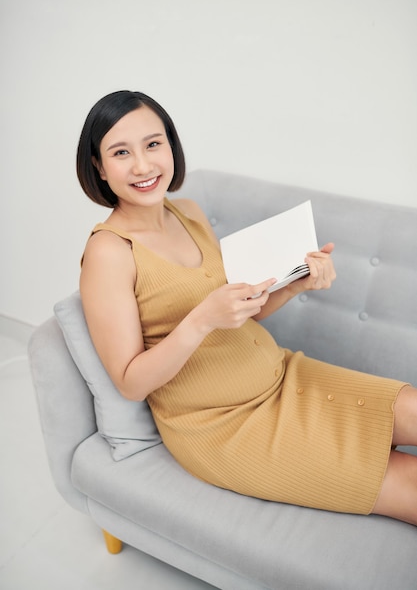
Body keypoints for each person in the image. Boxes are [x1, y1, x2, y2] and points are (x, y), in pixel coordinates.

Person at [77, 90, 417, 526]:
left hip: (282, 375)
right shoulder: (109, 252)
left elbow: (244, 312)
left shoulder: (188, 213)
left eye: (153, 144)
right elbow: (129, 382)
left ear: (171, 147)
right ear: (99, 167)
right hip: (223, 426)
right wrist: (200, 320)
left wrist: (298, 283)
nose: (143, 165)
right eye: (121, 152)